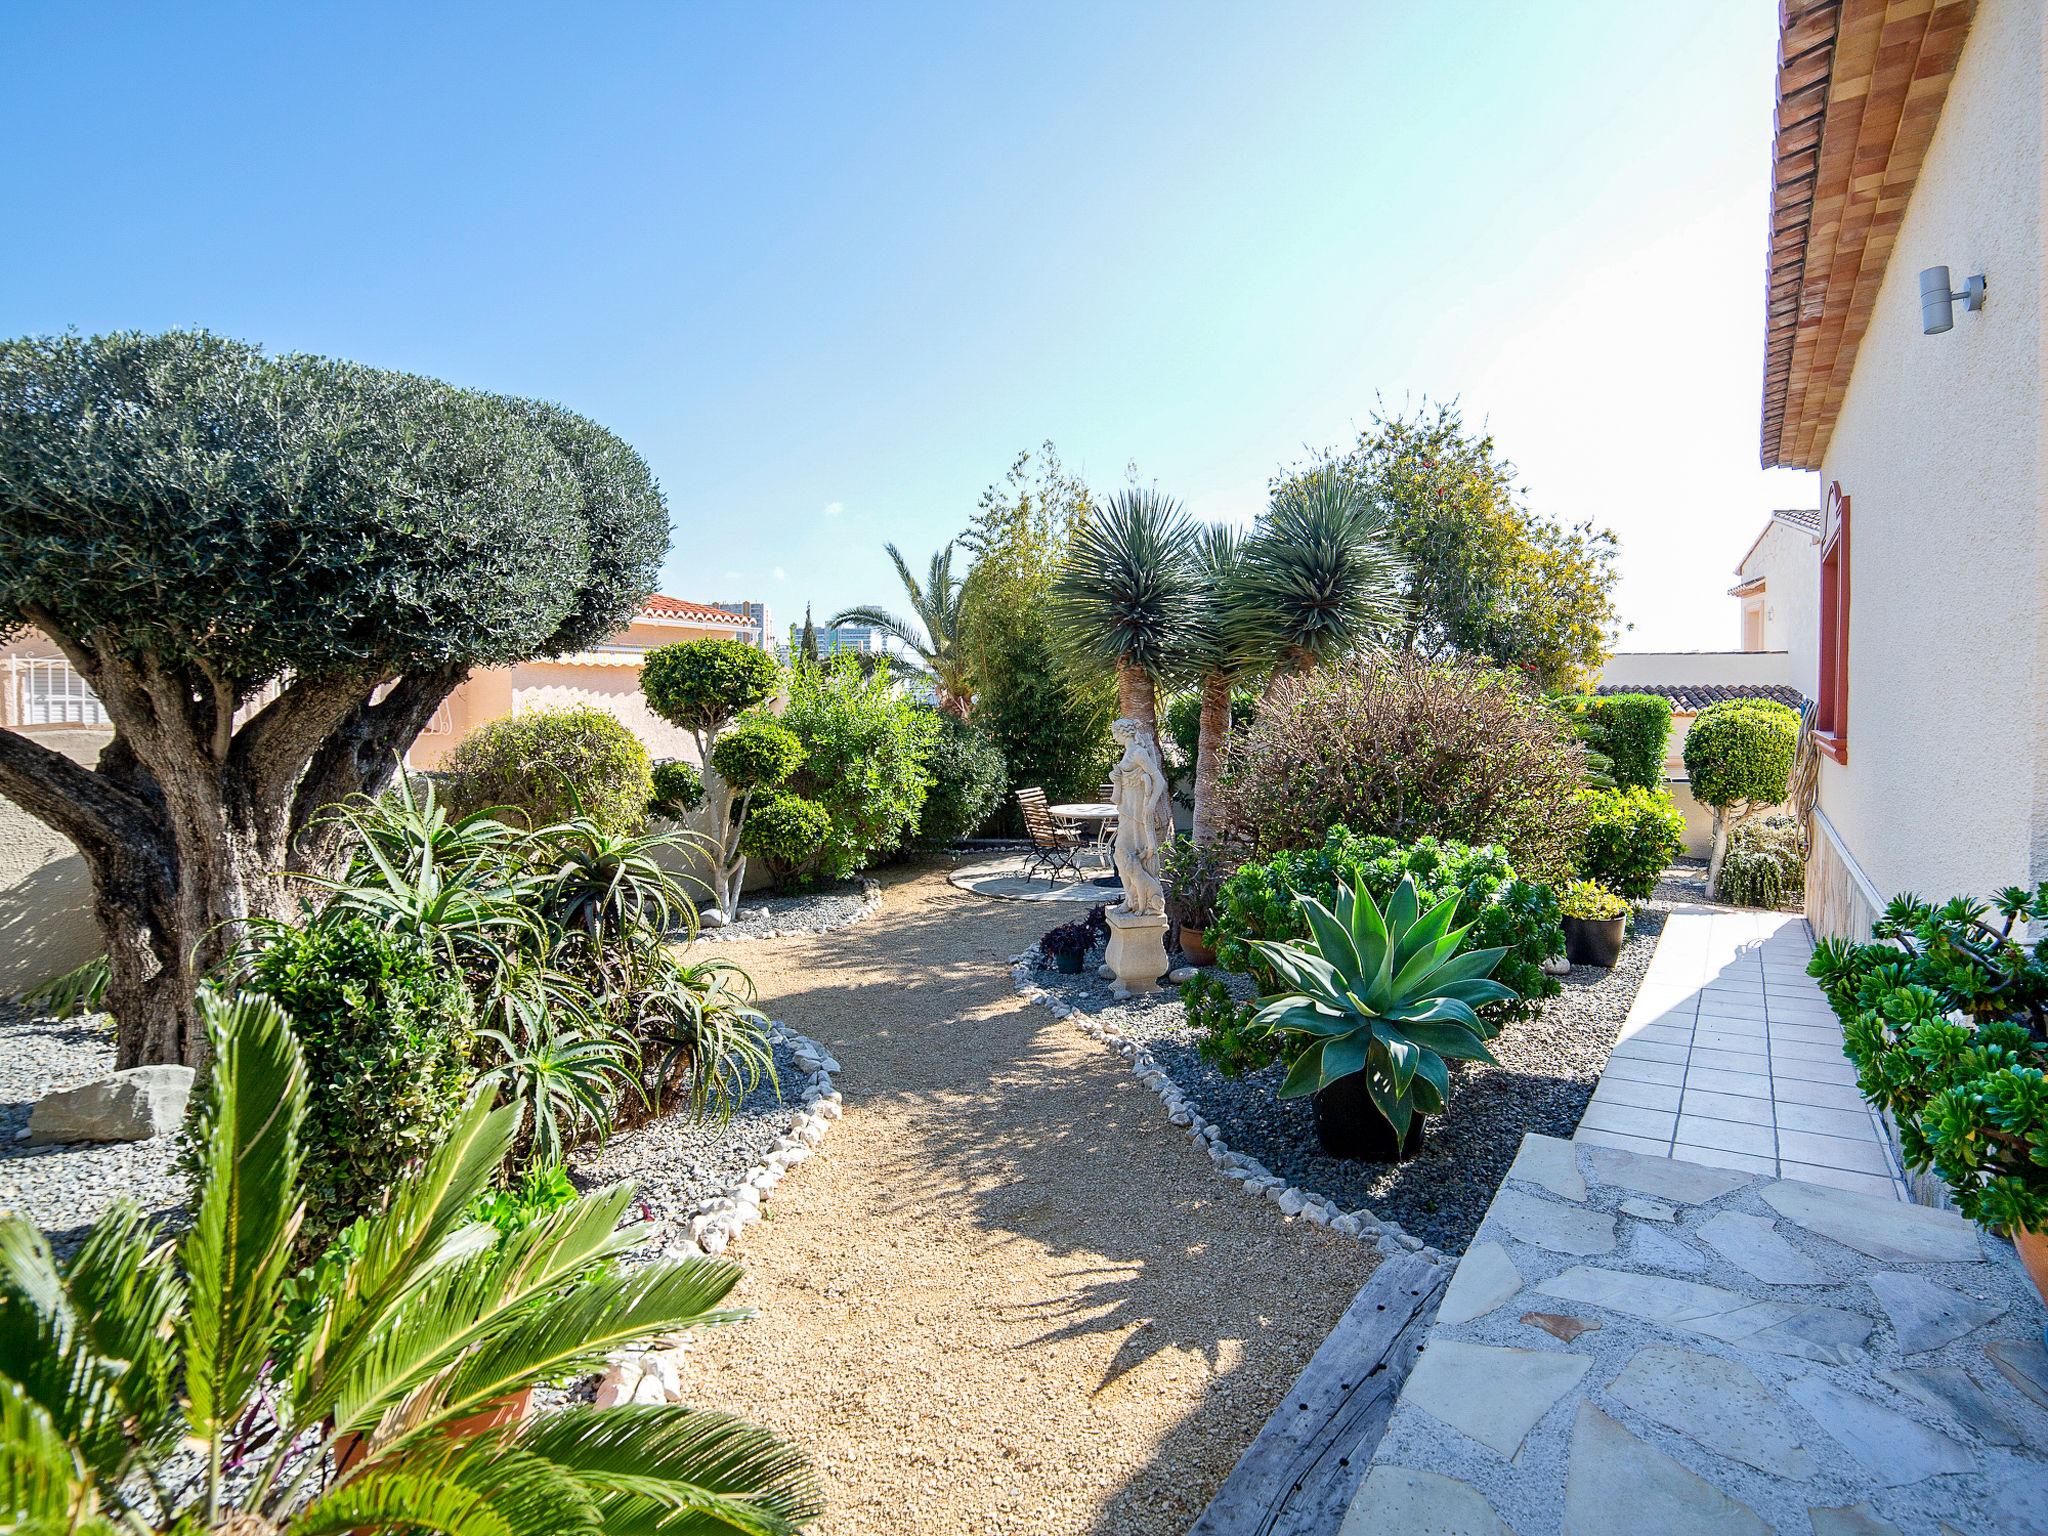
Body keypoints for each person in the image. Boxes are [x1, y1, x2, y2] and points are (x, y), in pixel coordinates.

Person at [1108, 717, 1171, 916]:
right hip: (1126, 810)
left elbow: (1158, 779)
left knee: (1135, 856)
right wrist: (1117, 779)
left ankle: (1142, 902)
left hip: (1138, 813)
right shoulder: (1128, 752)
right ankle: (1130, 899)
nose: (1113, 736)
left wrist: (1151, 804)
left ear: (1123, 733)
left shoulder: (1138, 752)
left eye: (1114, 732)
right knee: (1120, 855)